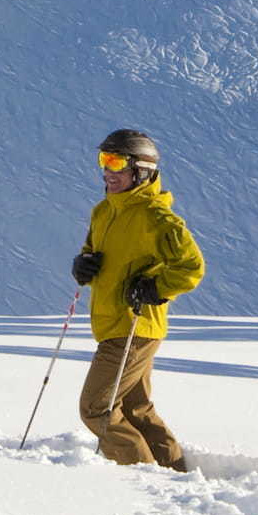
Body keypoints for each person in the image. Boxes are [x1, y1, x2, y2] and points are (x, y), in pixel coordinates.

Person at [71, 127, 204, 471]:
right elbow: (92, 252)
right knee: (134, 409)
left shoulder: (156, 217)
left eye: (116, 162)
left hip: (135, 326)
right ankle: (175, 475)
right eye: (104, 160)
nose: (107, 170)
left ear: (141, 170)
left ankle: (144, 480)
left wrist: (156, 287)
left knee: (96, 409)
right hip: (111, 325)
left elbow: (192, 267)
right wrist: (83, 266)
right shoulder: (103, 212)